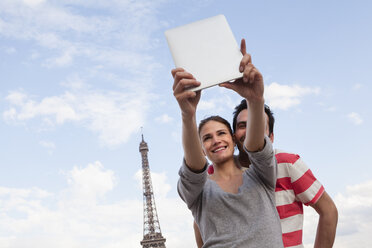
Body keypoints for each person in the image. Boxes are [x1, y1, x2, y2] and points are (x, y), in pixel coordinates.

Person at [172, 39, 284, 247]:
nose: (215, 140)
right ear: (201, 150)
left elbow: (258, 149)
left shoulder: (261, 174)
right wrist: (188, 114)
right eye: (206, 138)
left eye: (221, 133)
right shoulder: (198, 191)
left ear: (233, 139)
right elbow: (193, 170)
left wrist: (255, 100)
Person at [194, 100, 338, 248]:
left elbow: (328, 211)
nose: (250, 131)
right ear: (234, 136)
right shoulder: (213, 174)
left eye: (257, 126)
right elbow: (200, 223)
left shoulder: (286, 163)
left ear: (271, 137)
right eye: (242, 126)